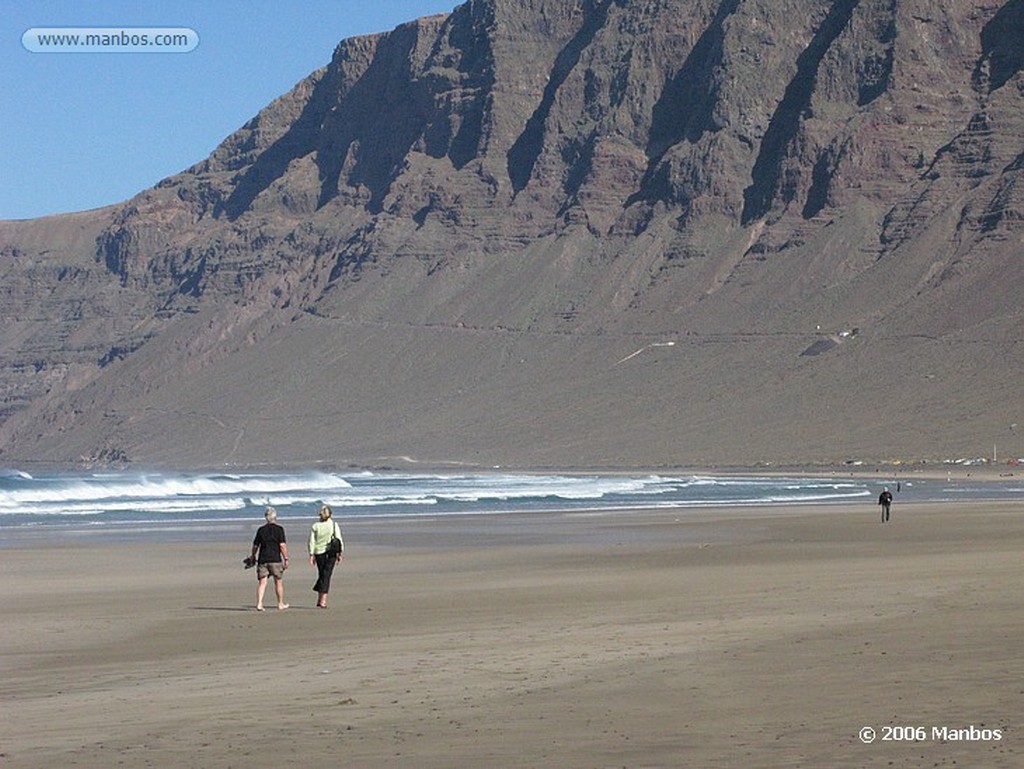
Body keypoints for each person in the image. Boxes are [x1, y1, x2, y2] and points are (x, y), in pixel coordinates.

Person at [251, 506, 289, 611]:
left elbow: (255, 546)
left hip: (263, 559)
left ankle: (259, 603)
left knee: (262, 583)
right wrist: (286, 558)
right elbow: (282, 545)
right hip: (275, 560)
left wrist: (253, 556)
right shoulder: (279, 530)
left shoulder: (261, 530)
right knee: (278, 582)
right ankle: (280, 603)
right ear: (275, 517)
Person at [308, 503, 344, 608]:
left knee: (323, 574)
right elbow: (339, 539)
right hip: (331, 553)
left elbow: (311, 541)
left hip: (320, 553)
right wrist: (340, 553)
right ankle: (322, 601)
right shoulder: (333, 525)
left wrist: (311, 554)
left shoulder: (316, 526)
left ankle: (320, 599)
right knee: (325, 576)